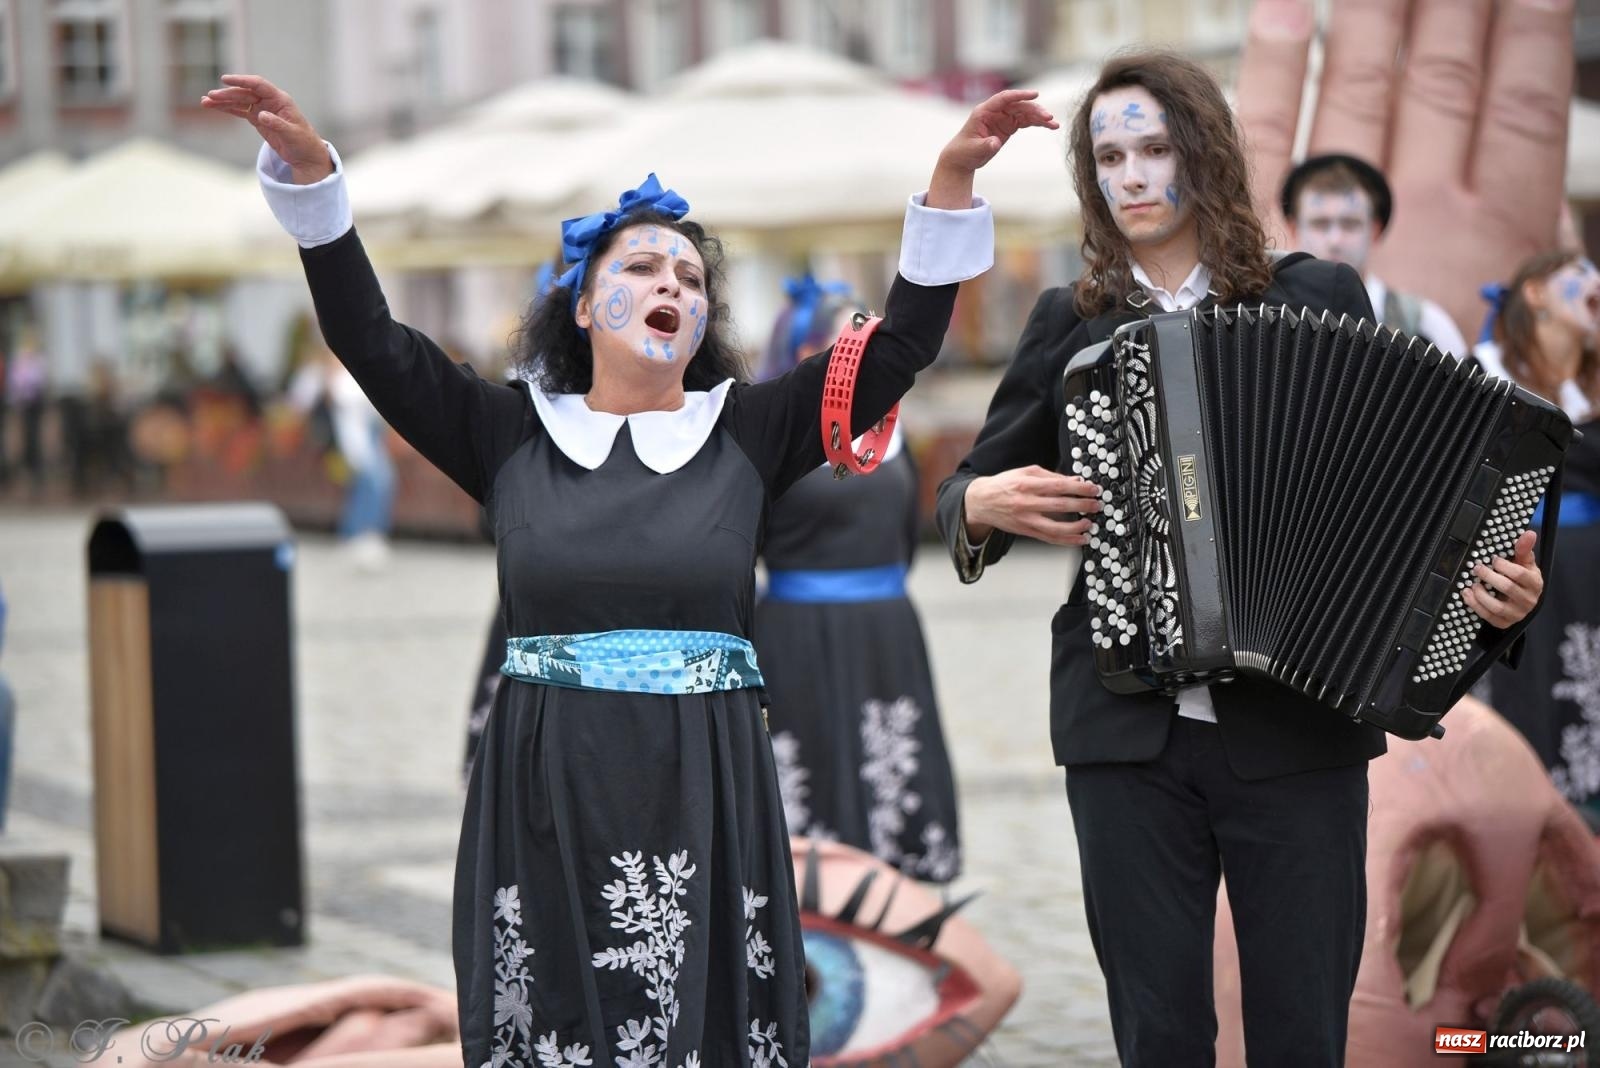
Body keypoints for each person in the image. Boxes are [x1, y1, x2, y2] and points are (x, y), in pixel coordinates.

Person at [204, 71, 1052, 1066]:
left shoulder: (748, 429)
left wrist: (949, 181)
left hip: (705, 774)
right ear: (581, 304)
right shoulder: (505, 432)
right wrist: (312, 187)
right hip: (549, 774)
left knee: (704, 1017)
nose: (671, 287)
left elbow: (901, 343)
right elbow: (371, 343)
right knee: (560, 1010)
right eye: (644, 267)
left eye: (691, 281)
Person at [934, 50, 1546, 1066]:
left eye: (1153, 149)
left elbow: (1415, 503)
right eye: (1109, 156)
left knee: (1303, 1032)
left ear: (1202, 154)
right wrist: (979, 501)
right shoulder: (1069, 321)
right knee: (1159, 1033)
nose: (1130, 176)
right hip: (1124, 739)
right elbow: (971, 498)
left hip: (1296, 733)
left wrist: (1499, 599)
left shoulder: (1316, 296)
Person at [752, 275, 962, 883]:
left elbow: (907, 535)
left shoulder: (894, 440)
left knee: (894, 770)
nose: (856, 356)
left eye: (863, 340)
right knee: (812, 778)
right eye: (841, 343)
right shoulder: (775, 436)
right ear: (802, 352)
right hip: (797, 630)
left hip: (886, 629)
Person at [1474, 252, 1600, 824]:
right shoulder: (1487, 373)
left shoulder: (1593, 387)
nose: (1596, 284)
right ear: (1535, 295)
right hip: (1521, 568)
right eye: (1580, 274)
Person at [1279, 153, 1469, 355]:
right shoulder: (1272, 313)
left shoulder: (1426, 325)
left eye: (1350, 224)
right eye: (1320, 224)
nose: (1335, 240)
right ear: (1293, 229)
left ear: (1375, 230)